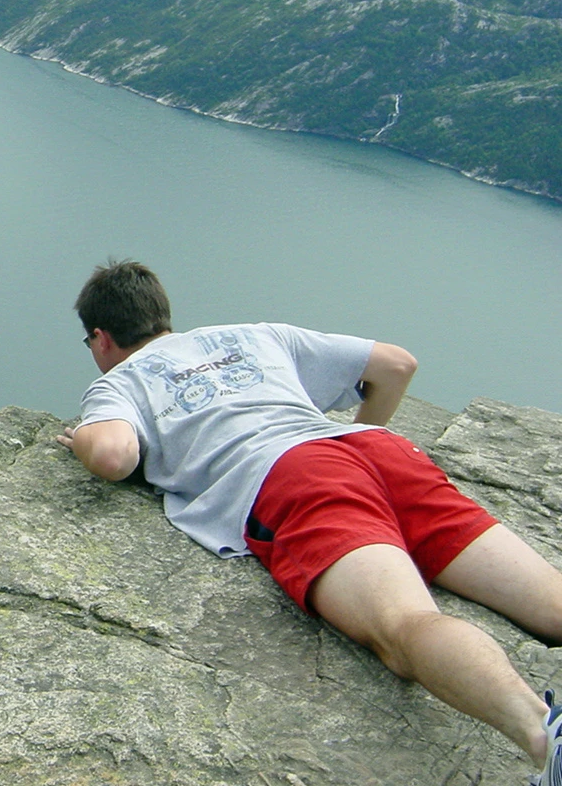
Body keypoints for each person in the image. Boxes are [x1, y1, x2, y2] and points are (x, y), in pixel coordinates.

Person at [54, 259, 562, 783]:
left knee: (405, 628)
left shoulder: (121, 383)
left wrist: (84, 440)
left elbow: (113, 456)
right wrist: (351, 447)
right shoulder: (255, 335)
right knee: (549, 600)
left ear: (100, 338)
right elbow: (396, 365)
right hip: (377, 454)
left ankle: (544, 737)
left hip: (297, 480)